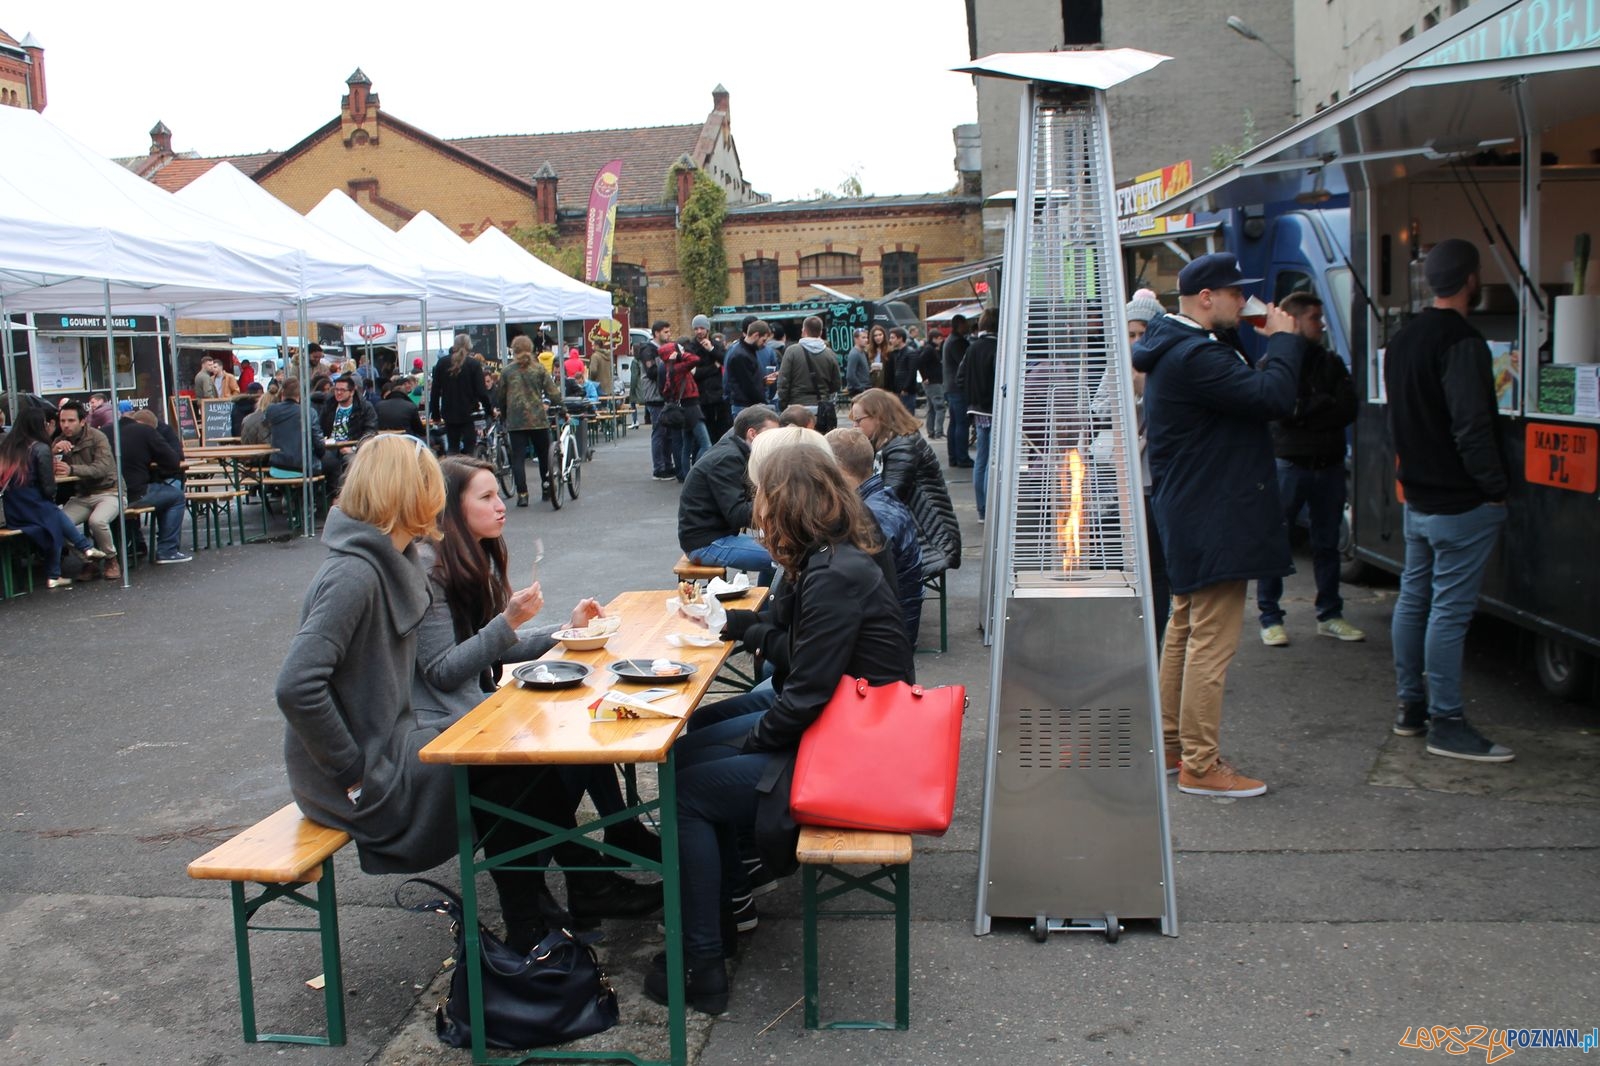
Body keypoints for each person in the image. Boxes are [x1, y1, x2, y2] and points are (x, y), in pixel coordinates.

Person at [643, 432, 914, 1015]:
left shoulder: (834, 570)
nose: (755, 511)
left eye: (762, 497)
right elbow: (802, 666)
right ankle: (720, 912)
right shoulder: (830, 557)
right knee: (688, 759)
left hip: (858, 755)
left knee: (686, 788)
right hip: (849, 731)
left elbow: (805, 696)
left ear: (785, 503)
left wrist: (749, 744)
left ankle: (703, 961)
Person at [275, 438, 541, 955]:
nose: (439, 498)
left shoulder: (390, 559)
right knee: (508, 771)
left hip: (387, 748)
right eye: (430, 485)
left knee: (520, 762)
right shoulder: (353, 573)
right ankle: (530, 924)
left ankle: (535, 915)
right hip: (355, 778)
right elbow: (296, 686)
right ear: (406, 492)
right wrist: (351, 772)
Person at [413, 455, 664, 935]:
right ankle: (577, 881)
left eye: (498, 493)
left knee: (581, 729)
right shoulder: (432, 569)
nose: (501, 505)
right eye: (485, 497)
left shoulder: (473, 555)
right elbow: (443, 670)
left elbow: (495, 646)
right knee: (542, 767)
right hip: (442, 727)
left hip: (472, 710)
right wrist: (507, 622)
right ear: (451, 508)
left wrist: (567, 629)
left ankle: (591, 866)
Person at [1132, 251, 1304, 799]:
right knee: (1209, 639)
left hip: (1193, 510)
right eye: (1235, 293)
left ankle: (1172, 744)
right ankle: (1200, 764)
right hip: (1215, 515)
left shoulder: (1179, 348)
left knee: (1185, 627)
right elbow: (1272, 397)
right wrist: (1282, 342)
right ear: (1206, 298)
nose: (1243, 302)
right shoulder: (1195, 355)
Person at [1384, 239, 1514, 763]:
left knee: (1415, 601)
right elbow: (1472, 426)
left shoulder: (1402, 340)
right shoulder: (1463, 342)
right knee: (1449, 613)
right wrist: (1495, 487)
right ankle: (1447, 722)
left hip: (1417, 497)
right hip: (1461, 501)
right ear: (1470, 280)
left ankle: (1411, 709)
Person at [1254, 291, 1363, 648]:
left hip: (1327, 464)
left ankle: (1330, 614)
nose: (1321, 324)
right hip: (1288, 464)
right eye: (1315, 318)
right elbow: (1280, 409)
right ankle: (1270, 617)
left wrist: (1306, 409)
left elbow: (1347, 408)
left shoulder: (1330, 362)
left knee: (1327, 542)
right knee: (1276, 541)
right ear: (1296, 319)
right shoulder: (1277, 361)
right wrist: (1319, 405)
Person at [849, 388, 962, 582]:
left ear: (878, 417)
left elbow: (887, 498)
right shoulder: (891, 443)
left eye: (858, 421)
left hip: (931, 539)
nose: (854, 426)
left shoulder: (903, 446)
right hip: (916, 529)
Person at [826, 427, 924, 638]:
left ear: (838, 469)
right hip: (891, 629)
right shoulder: (878, 498)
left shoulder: (871, 517)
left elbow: (860, 591)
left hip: (884, 641)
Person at [0, 406, 109, 587]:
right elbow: (48, 487)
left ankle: (59, 571)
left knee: (52, 519)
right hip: (33, 506)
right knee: (53, 517)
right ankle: (83, 549)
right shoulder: (40, 448)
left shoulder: (7, 446)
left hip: (12, 509)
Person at [1118, 293, 1171, 642]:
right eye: (1131, 334)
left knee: (1160, 572)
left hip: (1161, 484)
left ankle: (1159, 641)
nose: (1137, 342)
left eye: (1143, 333)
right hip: (1127, 485)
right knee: (1131, 571)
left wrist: (1146, 392)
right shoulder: (1116, 368)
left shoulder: (1169, 370)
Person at [677, 405, 780, 580]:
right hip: (706, 543)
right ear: (752, 434)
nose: (775, 442)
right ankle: (770, 606)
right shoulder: (728, 458)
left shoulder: (733, 450)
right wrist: (776, 503)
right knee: (783, 556)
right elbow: (738, 514)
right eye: (771, 436)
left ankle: (769, 603)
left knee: (781, 551)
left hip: (712, 537)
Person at [497, 335, 564, 507]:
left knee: (518, 458)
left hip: (516, 420)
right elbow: (553, 392)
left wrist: (504, 415)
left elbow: (501, 398)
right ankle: (546, 488)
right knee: (543, 455)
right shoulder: (539, 369)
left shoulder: (507, 371)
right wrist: (563, 409)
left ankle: (522, 494)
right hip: (537, 419)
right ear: (531, 349)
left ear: (514, 350)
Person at [119, 407, 191, 565]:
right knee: (175, 497)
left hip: (116, 492)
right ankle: (167, 550)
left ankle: (136, 544)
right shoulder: (146, 432)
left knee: (166, 490)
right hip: (136, 490)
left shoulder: (116, 431)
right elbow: (173, 462)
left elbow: (176, 459)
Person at [53, 400, 121, 567]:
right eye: (62, 421)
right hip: (82, 495)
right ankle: (90, 559)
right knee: (56, 525)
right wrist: (52, 452)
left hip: (109, 491)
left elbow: (102, 468)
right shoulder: (59, 440)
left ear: (82, 421)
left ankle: (111, 560)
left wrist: (72, 470)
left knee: (97, 521)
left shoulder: (97, 437)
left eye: (71, 421)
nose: (66, 425)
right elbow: (44, 467)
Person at [957, 308, 999, 519]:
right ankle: (989, 507)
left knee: (981, 459)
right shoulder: (997, 348)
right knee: (991, 458)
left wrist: (970, 398)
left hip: (976, 409)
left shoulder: (972, 348)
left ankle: (982, 508)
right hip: (992, 408)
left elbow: (960, 377)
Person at [430, 334, 494, 455]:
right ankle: (469, 471)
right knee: (470, 447)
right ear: (469, 346)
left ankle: (454, 471)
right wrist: (488, 410)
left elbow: (435, 391)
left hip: (449, 412)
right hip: (469, 412)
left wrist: (435, 414)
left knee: (453, 446)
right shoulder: (474, 364)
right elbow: (481, 392)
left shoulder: (442, 363)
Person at [661, 341, 711, 479]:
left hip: (683, 408)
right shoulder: (678, 368)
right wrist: (681, 355)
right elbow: (695, 359)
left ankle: (686, 475)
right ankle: (696, 473)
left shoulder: (669, 369)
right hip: (692, 407)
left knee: (686, 446)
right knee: (706, 444)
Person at [774, 316, 841, 413]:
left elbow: (783, 382)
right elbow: (836, 385)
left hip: (796, 407)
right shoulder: (830, 354)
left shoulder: (792, 351)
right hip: (821, 408)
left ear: (803, 331)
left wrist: (783, 406)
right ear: (821, 332)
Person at [264, 375, 327, 477]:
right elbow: (318, 442)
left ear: (282, 392)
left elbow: (265, 429)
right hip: (304, 467)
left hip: (277, 467)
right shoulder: (309, 412)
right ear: (300, 394)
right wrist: (321, 453)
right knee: (333, 464)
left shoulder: (271, 410)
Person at [635, 320, 674, 481]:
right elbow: (651, 372)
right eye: (665, 332)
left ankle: (667, 464)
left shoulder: (662, 348)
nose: (669, 335)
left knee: (667, 433)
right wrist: (669, 362)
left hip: (664, 394)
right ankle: (659, 468)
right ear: (657, 333)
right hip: (654, 395)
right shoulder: (648, 350)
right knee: (659, 432)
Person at [688, 315, 730, 444]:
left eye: (702, 328)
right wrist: (713, 368)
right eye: (696, 328)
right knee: (707, 434)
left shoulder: (716, 345)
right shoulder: (690, 347)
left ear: (707, 329)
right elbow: (694, 373)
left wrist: (711, 349)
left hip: (718, 395)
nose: (699, 331)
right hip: (700, 396)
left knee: (722, 430)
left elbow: (726, 361)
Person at [941, 315, 973, 467]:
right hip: (957, 388)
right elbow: (965, 364)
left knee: (954, 423)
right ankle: (961, 457)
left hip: (949, 387)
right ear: (959, 324)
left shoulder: (949, 340)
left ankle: (954, 457)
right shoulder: (957, 342)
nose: (968, 326)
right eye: (965, 323)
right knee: (961, 423)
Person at [724, 321, 770, 420]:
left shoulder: (745, 351)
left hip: (746, 405)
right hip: (745, 406)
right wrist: (764, 402)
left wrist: (762, 381)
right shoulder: (741, 355)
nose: (764, 344)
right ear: (756, 335)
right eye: (763, 340)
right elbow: (748, 384)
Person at [918, 327, 946, 439]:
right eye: (939, 338)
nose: (941, 340)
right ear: (934, 338)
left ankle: (931, 431)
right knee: (940, 407)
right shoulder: (930, 349)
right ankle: (938, 431)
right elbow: (920, 362)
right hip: (934, 381)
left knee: (931, 408)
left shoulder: (929, 348)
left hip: (932, 381)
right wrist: (925, 377)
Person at [885, 328, 919, 414]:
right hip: (897, 390)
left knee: (907, 416)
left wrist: (905, 388)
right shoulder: (895, 353)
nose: (890, 340)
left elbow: (912, 372)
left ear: (900, 339)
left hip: (906, 391)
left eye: (893, 338)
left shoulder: (910, 352)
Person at [844, 328, 872, 397]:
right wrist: (861, 389)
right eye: (863, 337)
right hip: (859, 392)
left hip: (865, 389)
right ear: (856, 339)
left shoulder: (863, 352)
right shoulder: (854, 353)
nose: (866, 340)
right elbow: (850, 375)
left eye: (866, 337)